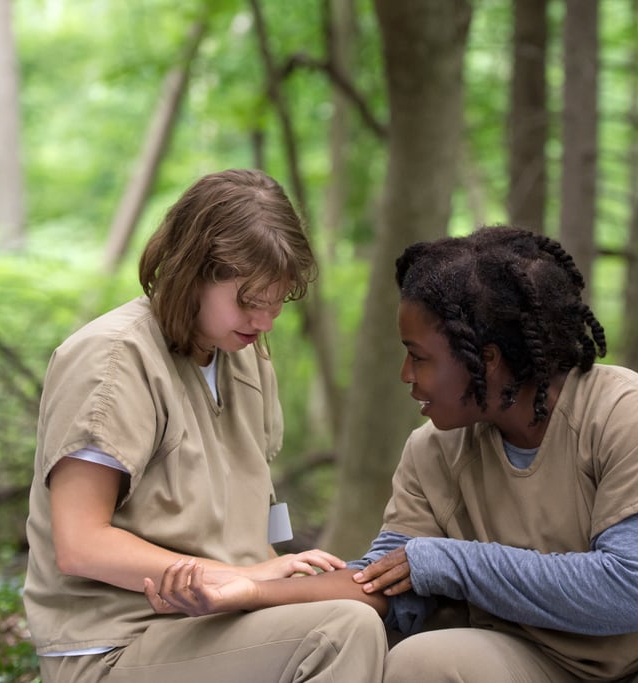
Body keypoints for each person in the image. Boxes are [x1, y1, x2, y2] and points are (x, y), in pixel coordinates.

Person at [146, 225, 638, 682]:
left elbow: (636, 591)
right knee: (423, 662)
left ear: (486, 359)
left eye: (419, 358)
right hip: (524, 660)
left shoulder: (627, 412)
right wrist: (247, 590)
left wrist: (449, 561)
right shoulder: (432, 451)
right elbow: (385, 584)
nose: (408, 379)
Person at [22, 168, 387, 683]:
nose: (263, 321)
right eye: (248, 301)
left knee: (388, 614)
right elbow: (80, 543)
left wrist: (287, 569)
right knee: (339, 630)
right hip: (115, 643)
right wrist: (243, 578)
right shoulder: (112, 361)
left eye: (276, 304)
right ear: (192, 273)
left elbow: (254, 521)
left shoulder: (245, 358)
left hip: (220, 622)